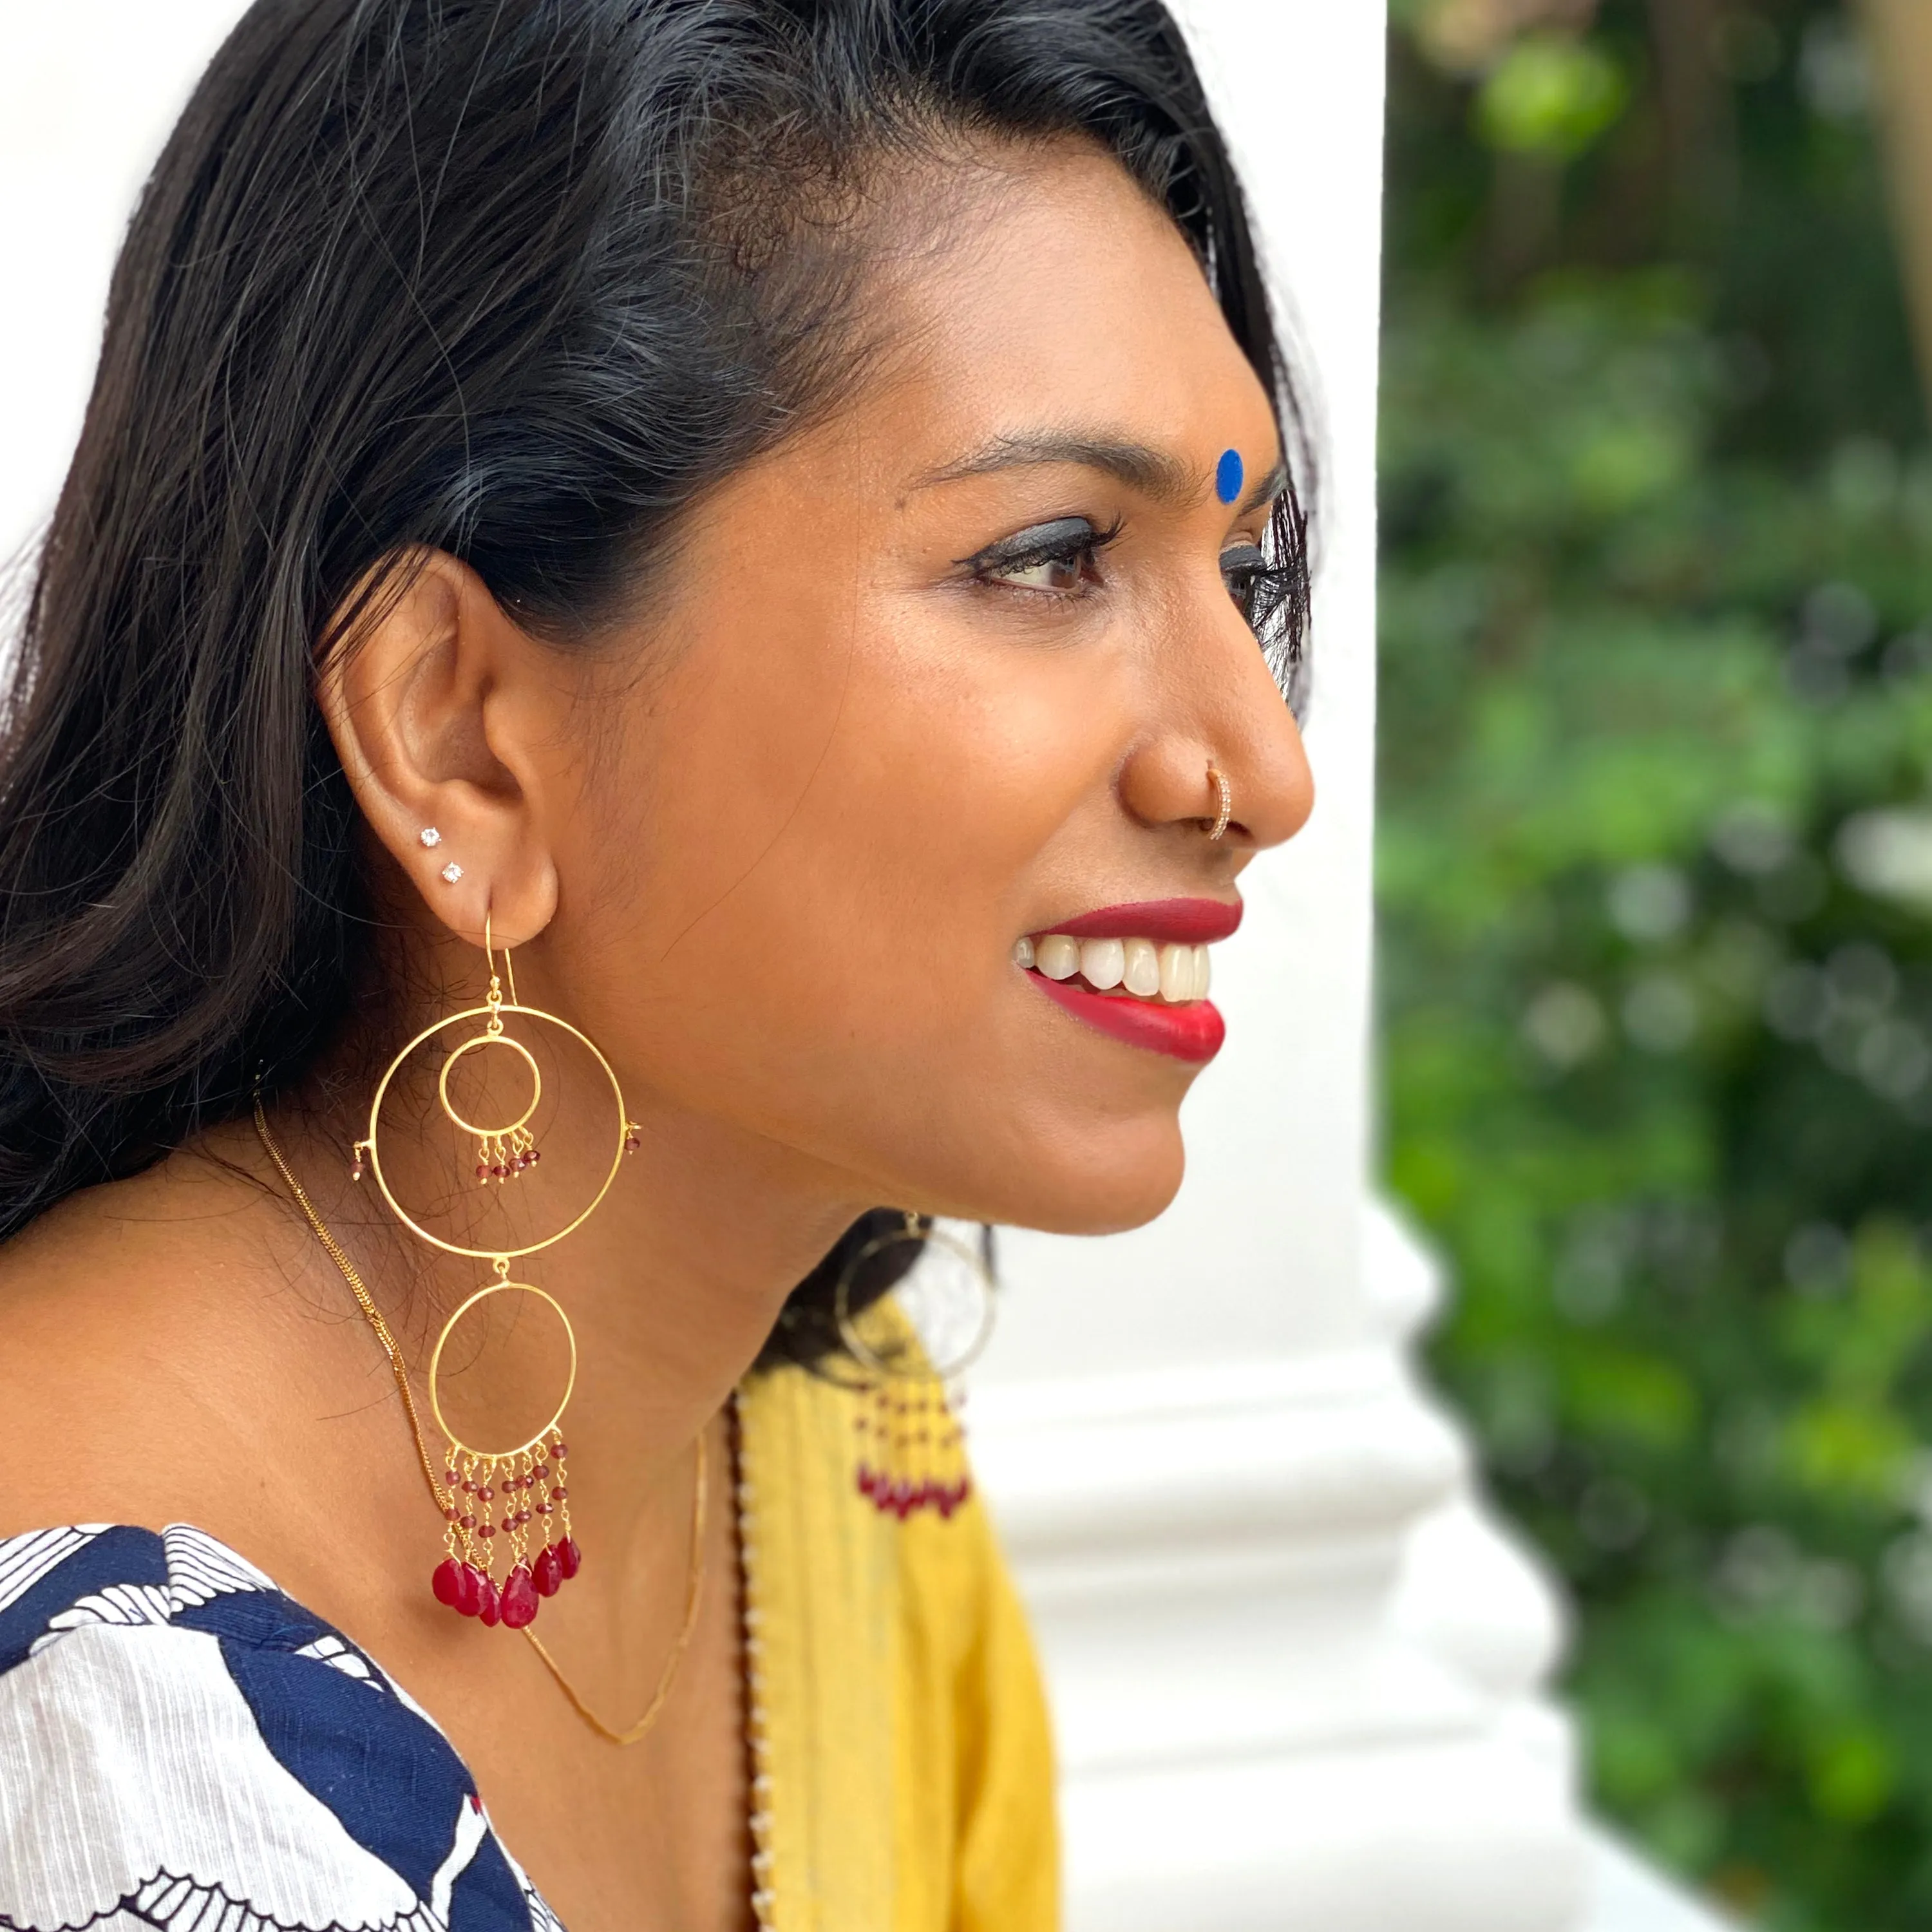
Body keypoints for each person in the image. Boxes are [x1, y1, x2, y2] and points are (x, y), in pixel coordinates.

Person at [0, 1, 1315, 1927]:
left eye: (1242, 571)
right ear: (458, 732)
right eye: (1046, 556)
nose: (1260, 770)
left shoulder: (845, 1467)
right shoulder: (96, 1714)